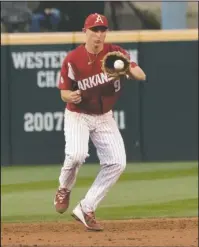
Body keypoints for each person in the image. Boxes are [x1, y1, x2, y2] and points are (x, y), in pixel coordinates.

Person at [55, 13, 146, 231]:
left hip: (104, 116)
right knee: (76, 155)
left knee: (117, 163)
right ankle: (64, 188)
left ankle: (86, 208)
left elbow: (140, 74)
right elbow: (64, 93)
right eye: (95, 30)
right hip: (78, 114)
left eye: (103, 30)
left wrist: (127, 69)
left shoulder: (116, 53)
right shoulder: (73, 59)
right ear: (85, 31)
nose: (99, 34)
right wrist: (71, 96)